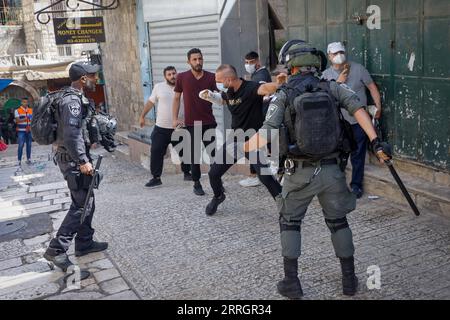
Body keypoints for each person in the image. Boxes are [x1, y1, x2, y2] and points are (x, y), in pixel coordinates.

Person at [244, 41, 392, 299]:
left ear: (290, 66)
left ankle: (292, 282)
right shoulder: (333, 87)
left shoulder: (283, 94)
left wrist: (242, 146)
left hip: (298, 173)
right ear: (316, 64)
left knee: (289, 222)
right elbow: (358, 110)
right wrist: (375, 141)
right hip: (332, 171)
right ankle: (349, 280)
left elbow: (266, 134)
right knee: (338, 222)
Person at [44, 62, 108, 279]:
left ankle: (84, 243)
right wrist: (82, 160)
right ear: (83, 79)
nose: (95, 80)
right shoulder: (72, 101)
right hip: (72, 160)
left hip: (73, 157)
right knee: (81, 205)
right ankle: (56, 250)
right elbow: (71, 135)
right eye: (93, 76)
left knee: (87, 200)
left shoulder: (74, 97)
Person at [199, 64, 284, 216]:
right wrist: (210, 96)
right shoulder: (229, 91)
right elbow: (223, 100)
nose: (217, 84)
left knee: (265, 176)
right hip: (235, 140)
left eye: (219, 81)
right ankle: (219, 196)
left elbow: (267, 89)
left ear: (229, 79)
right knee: (214, 173)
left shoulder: (251, 88)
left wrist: (279, 84)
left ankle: (284, 204)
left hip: (254, 140)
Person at [322, 42, 383, 199]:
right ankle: (336, 186)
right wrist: (339, 82)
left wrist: (378, 106)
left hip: (358, 122)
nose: (338, 55)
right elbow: (326, 98)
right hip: (339, 124)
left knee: (358, 155)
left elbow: (372, 87)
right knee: (338, 156)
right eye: (335, 53)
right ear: (329, 56)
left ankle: (356, 186)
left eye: (341, 52)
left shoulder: (358, 68)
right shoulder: (326, 75)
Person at [172, 48, 217, 196]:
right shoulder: (182, 77)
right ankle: (197, 183)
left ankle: (217, 182)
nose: (198, 62)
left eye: (200, 59)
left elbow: (219, 96)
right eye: (194, 59)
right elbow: (177, 98)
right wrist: (174, 118)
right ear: (189, 61)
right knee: (194, 156)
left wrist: (213, 96)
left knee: (213, 155)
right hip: (191, 123)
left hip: (209, 121)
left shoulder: (211, 77)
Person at [139, 66, 192, 188]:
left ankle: (187, 173)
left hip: (179, 127)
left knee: (185, 152)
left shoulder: (184, 87)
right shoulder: (159, 87)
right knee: (156, 151)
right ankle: (156, 178)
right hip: (161, 128)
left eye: (174, 73)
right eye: (169, 74)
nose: (172, 76)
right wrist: (142, 116)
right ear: (165, 77)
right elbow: (151, 102)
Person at [240, 51, 275, 188]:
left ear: (257, 61)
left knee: (256, 146)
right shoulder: (258, 73)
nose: (248, 65)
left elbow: (260, 92)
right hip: (261, 115)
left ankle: (256, 175)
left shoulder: (260, 75)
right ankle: (257, 174)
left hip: (261, 116)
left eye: (251, 62)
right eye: (247, 62)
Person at [15, 97, 33, 165]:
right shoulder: (17, 110)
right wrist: (26, 118)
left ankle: (29, 159)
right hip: (21, 130)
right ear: (21, 103)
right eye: (24, 102)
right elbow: (17, 120)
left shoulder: (31, 110)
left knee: (29, 145)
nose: (25, 103)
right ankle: (19, 160)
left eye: (26, 102)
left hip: (29, 130)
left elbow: (33, 119)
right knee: (21, 145)